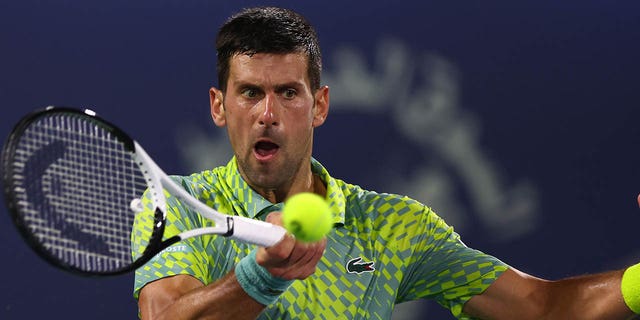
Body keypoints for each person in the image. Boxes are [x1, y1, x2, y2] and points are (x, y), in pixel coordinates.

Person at [132, 7, 639, 320]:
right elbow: (165, 318)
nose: (267, 114)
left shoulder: (395, 228)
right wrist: (264, 276)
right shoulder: (175, 205)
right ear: (219, 106)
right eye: (249, 93)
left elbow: (541, 307)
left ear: (320, 105)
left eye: (288, 93)